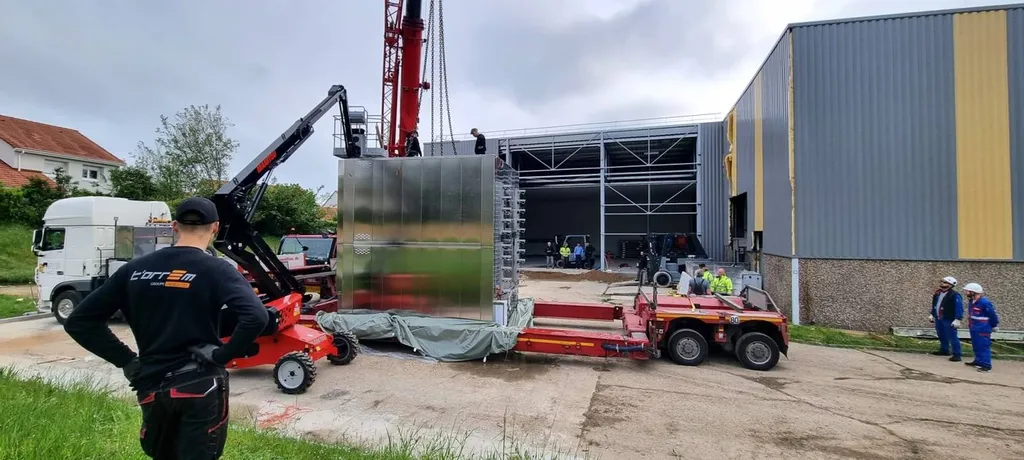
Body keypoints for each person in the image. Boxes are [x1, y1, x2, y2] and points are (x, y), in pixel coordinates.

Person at [63, 197, 270, 459]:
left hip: (152, 385)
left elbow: (79, 321)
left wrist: (125, 360)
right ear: (215, 227)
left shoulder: (134, 270)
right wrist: (221, 356)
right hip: (200, 385)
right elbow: (256, 317)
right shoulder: (217, 269)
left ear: (174, 226)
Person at [962, 283, 1000, 372]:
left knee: (983, 346)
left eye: (968, 291)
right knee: (976, 345)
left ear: (974, 292)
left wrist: (994, 325)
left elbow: (992, 315)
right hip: (974, 327)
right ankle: (979, 361)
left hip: (983, 328)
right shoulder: (972, 301)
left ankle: (986, 365)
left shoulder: (984, 302)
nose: (966, 292)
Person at [928, 276, 963, 361]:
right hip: (939, 318)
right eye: (942, 282)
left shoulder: (954, 295)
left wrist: (958, 318)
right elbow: (935, 305)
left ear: (951, 285)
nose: (942, 284)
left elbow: (959, 307)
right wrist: (932, 314)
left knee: (952, 336)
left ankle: (957, 354)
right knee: (941, 334)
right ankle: (944, 349)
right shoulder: (938, 293)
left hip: (949, 318)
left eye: (945, 282)